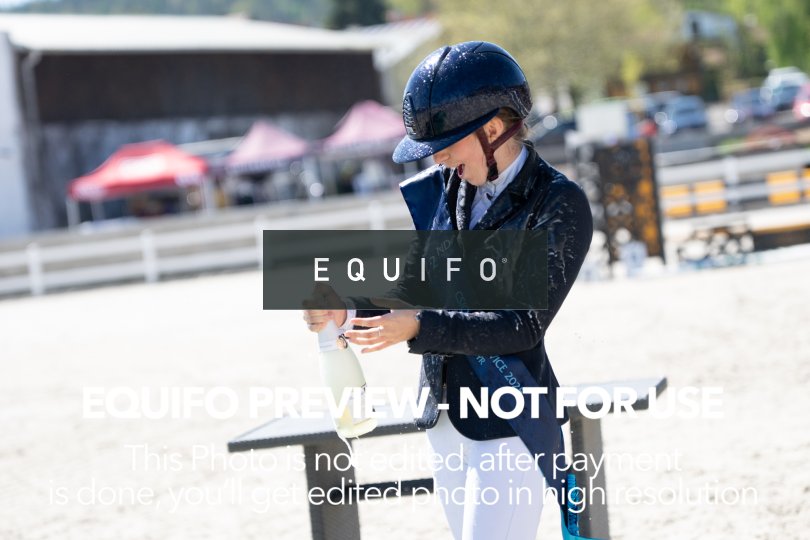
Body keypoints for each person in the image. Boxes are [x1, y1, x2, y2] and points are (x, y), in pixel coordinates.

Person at [303, 41, 593, 539]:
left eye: (447, 143)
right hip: (443, 418)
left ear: (493, 129)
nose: (437, 157)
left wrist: (420, 326)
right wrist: (345, 311)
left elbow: (521, 325)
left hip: (508, 415)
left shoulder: (558, 203)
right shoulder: (445, 190)